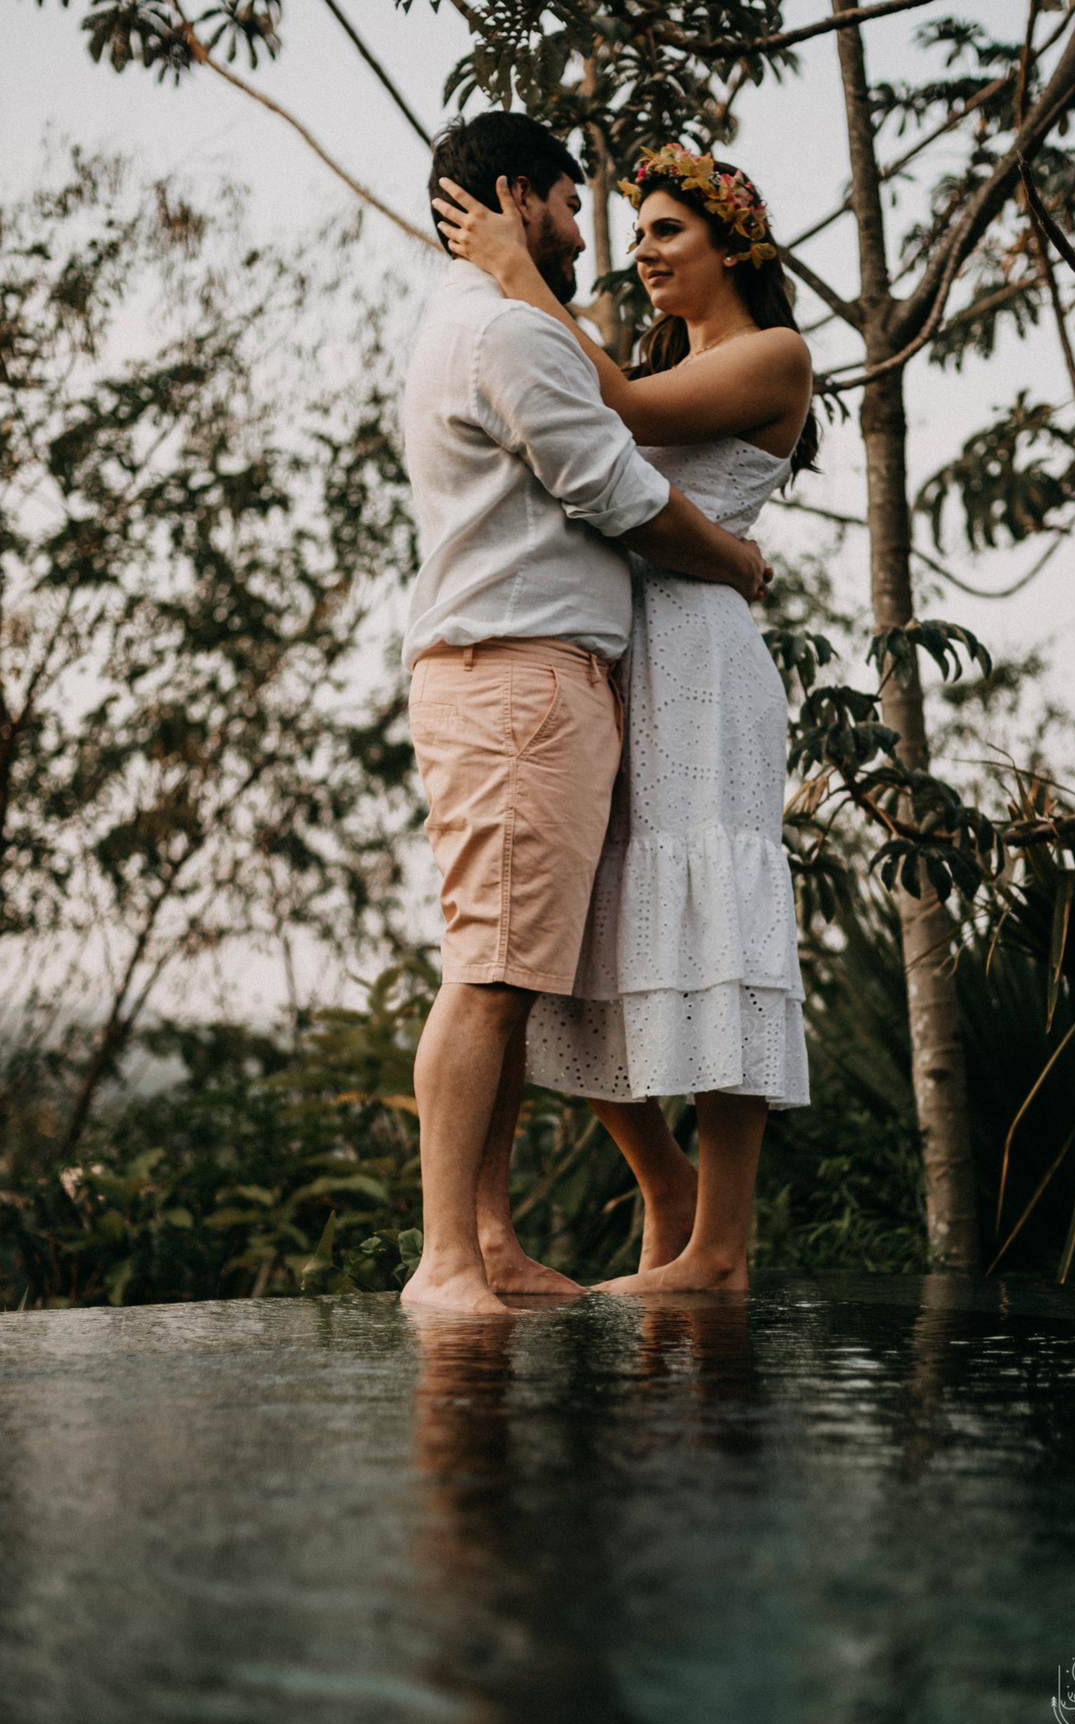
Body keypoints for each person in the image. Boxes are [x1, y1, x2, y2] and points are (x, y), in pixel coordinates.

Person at [403, 117, 774, 1315]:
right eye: (578, 208)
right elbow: (613, 457)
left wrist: (518, 272)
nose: (618, 245)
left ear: (732, 244)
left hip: (673, 658)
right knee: (540, 958)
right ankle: (501, 1240)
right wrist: (738, 557)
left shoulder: (767, 352)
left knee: (685, 919)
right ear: (520, 197)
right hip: (571, 665)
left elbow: (616, 413)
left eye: (666, 230)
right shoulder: (523, 331)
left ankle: (695, 1234)